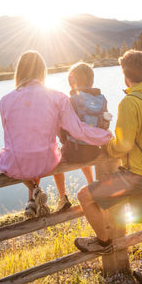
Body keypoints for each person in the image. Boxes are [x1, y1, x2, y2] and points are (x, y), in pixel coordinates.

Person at [74, 50, 142, 284]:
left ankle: (104, 243)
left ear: (125, 74)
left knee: (84, 197)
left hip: (135, 177)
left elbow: (124, 145)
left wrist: (108, 146)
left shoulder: (130, 101)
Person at [0, 51, 112, 219]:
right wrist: (105, 135)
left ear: (19, 71)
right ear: (43, 71)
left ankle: (34, 190)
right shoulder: (58, 97)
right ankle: (39, 193)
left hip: (16, 165)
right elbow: (77, 130)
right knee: (46, 151)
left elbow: (9, 136)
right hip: (48, 163)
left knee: (4, 157)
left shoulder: (5, 100)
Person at [52, 62, 111, 211]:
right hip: (94, 151)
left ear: (73, 83)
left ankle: (63, 197)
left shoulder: (70, 100)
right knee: (83, 143)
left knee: (55, 154)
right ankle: (91, 183)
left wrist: (63, 141)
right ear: (92, 81)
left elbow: (62, 128)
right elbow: (105, 125)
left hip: (73, 153)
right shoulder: (101, 100)